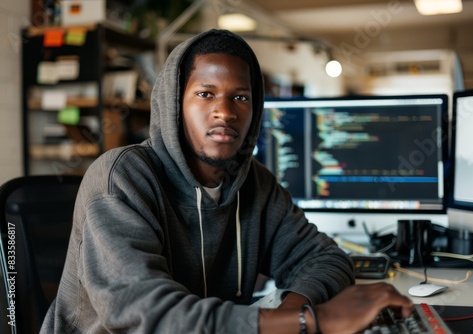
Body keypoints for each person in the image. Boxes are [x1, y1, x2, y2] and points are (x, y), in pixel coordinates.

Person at [41, 29, 413, 333]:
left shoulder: (255, 185)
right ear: (174, 103)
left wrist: (297, 317)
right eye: (205, 94)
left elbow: (325, 259)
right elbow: (146, 314)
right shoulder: (122, 177)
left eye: (241, 97)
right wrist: (312, 322)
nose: (225, 111)